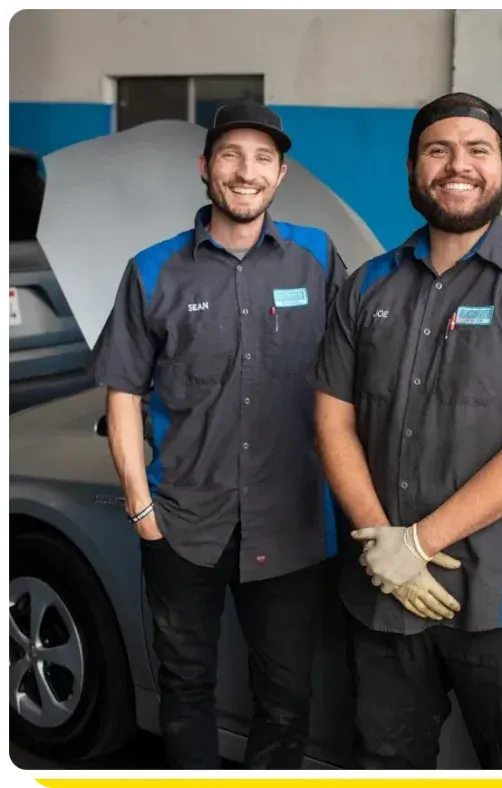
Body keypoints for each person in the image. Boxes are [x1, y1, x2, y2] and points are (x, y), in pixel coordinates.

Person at [311, 92, 502, 769]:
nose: (457, 165)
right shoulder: (368, 286)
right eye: (438, 151)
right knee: (383, 763)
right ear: (413, 169)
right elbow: (333, 419)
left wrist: (418, 543)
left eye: (476, 150)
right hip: (382, 598)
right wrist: (385, 548)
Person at [91, 99, 347, 769]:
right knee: (184, 691)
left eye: (263, 158)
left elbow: (353, 377)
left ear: (281, 174)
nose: (246, 171)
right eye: (231, 155)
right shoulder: (154, 270)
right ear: (206, 168)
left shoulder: (317, 258)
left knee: (288, 699)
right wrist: (140, 504)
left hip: (291, 524)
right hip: (181, 524)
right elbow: (122, 391)